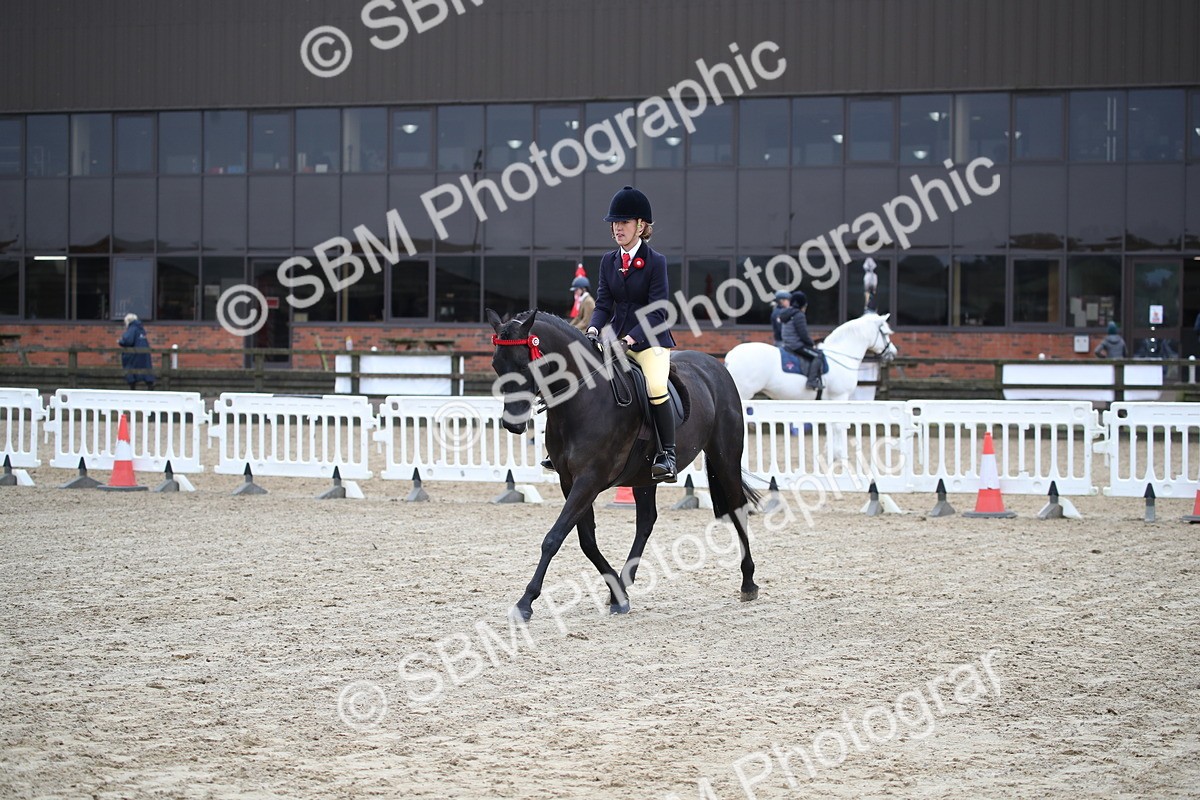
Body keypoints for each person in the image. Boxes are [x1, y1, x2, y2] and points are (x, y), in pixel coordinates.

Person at [586, 185, 679, 482]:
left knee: (655, 386)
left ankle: (667, 454)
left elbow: (657, 311)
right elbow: (603, 304)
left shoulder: (656, 261)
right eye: (614, 223)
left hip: (650, 340)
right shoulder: (608, 261)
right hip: (615, 338)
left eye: (623, 222)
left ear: (641, 226)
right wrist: (592, 329)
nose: (617, 228)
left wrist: (629, 339)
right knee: (585, 379)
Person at [779, 290, 823, 390]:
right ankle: (811, 381)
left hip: (787, 343)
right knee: (818, 356)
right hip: (796, 345)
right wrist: (811, 344)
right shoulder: (799, 315)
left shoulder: (786, 313)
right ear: (802, 304)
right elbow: (803, 334)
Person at [118, 313, 155, 389]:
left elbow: (128, 341)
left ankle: (132, 386)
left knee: (130, 368)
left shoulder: (132, 328)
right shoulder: (141, 329)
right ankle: (150, 385)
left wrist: (120, 341)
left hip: (134, 354)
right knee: (146, 368)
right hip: (144, 353)